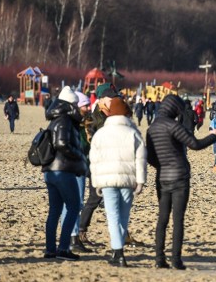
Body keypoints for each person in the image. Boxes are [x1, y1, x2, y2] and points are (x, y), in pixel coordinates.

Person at [146, 95, 216, 270]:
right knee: (178, 219)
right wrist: (213, 136)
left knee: (162, 218)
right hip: (179, 177)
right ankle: (176, 260)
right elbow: (194, 144)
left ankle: (159, 258)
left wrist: (161, 166)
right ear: (174, 109)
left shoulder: (151, 128)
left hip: (162, 177)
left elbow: (149, 157)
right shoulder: (173, 125)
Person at [89, 97, 147, 267]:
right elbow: (141, 158)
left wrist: (96, 182)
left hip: (107, 180)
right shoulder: (133, 132)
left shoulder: (100, 134)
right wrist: (141, 181)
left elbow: (94, 160)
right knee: (123, 216)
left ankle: (118, 253)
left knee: (113, 217)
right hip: (128, 181)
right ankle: (117, 251)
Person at [42, 86, 87, 261]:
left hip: (51, 171)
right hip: (62, 171)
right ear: (70, 104)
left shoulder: (54, 118)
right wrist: (79, 156)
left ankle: (50, 249)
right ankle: (62, 249)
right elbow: (62, 143)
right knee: (74, 206)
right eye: (75, 103)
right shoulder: (64, 120)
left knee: (54, 211)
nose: (77, 107)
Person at [59, 91, 93, 253]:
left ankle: (70, 237)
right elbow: (79, 146)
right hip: (73, 167)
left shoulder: (71, 121)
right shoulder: (74, 124)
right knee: (75, 202)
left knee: (70, 203)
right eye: (85, 105)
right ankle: (72, 238)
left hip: (69, 167)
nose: (88, 108)